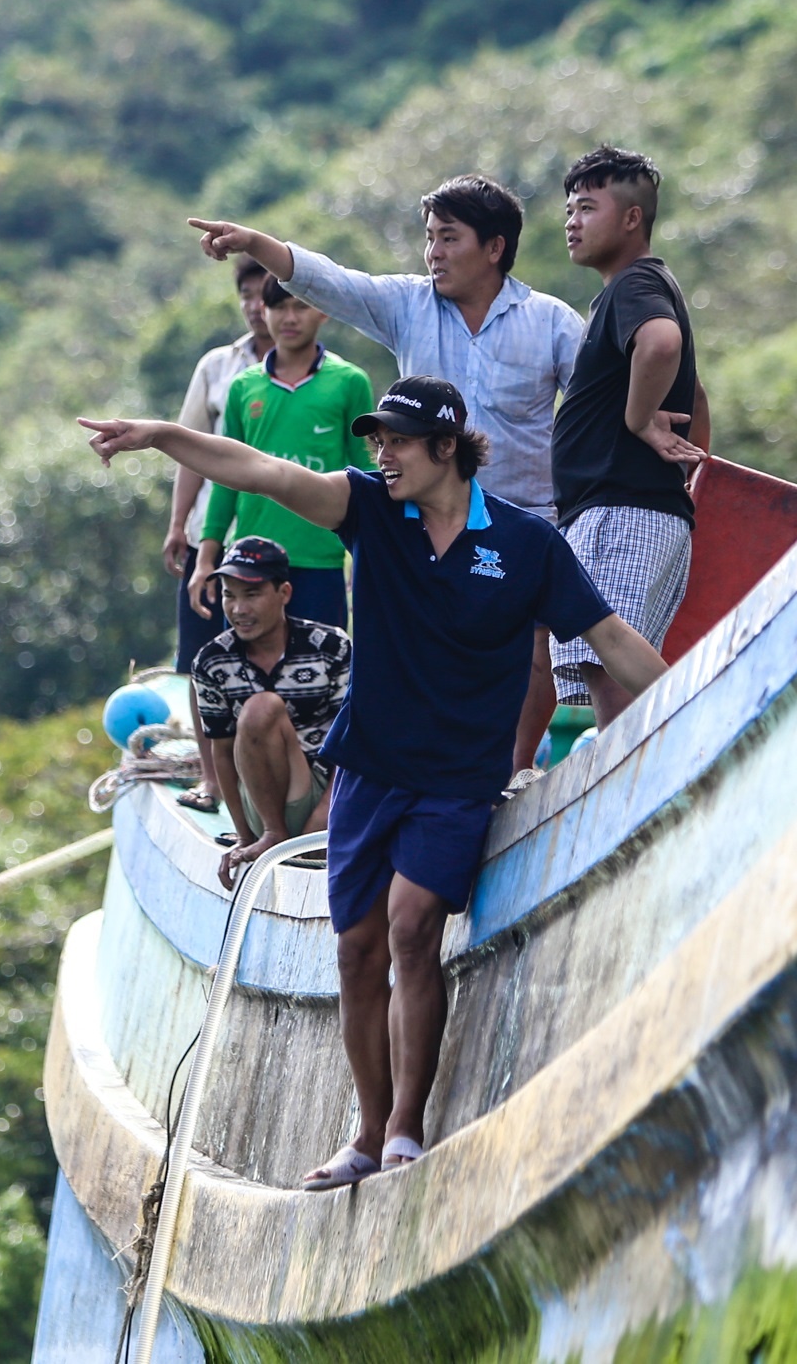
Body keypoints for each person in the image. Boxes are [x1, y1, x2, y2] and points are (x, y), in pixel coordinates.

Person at [79, 376, 670, 1192]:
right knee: (356, 949)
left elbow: (607, 633)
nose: (379, 454)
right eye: (374, 440)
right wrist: (157, 436)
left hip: (458, 779)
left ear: (445, 447)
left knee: (412, 923)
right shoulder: (371, 512)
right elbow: (259, 472)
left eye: (395, 440)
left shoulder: (529, 546)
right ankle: (363, 1134)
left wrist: (691, 695)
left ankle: (403, 1130)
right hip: (370, 768)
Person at [188, 175, 582, 773]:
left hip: (524, 517)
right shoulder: (407, 303)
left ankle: (516, 770)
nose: (434, 254)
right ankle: (402, 772)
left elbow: (593, 410)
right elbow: (330, 282)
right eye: (430, 239)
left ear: (495, 247)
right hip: (419, 520)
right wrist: (256, 243)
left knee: (532, 653)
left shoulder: (552, 322)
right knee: (411, 650)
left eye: (449, 239)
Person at [552, 145, 712, 729]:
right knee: (609, 657)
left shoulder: (635, 284)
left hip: (622, 508)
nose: (572, 221)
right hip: (634, 508)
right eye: (569, 209)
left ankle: (693, 732)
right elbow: (694, 396)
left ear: (631, 218)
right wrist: (698, 469)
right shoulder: (629, 289)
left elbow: (664, 345)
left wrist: (639, 420)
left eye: (587, 208)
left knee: (608, 653)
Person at [188, 274, 376, 633]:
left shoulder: (350, 382)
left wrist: (370, 557)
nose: (290, 318)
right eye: (279, 307)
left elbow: (365, 474)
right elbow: (226, 480)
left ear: (322, 312)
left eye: (301, 306)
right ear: (264, 311)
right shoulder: (244, 387)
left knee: (322, 678)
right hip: (250, 562)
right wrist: (206, 558)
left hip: (320, 558)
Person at [167, 255, 275, 814]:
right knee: (203, 656)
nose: (259, 307)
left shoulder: (325, 375)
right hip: (214, 538)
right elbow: (191, 451)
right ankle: (212, 780)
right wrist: (178, 526)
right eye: (249, 296)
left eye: (268, 294)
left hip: (277, 540)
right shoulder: (218, 367)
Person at [190, 537, 351, 890]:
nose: (238, 609)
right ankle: (274, 834)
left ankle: (288, 835)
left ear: (285, 593)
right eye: (230, 595)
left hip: (328, 793)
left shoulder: (332, 646)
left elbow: (354, 735)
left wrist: (326, 814)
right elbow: (221, 749)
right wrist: (247, 837)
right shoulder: (212, 661)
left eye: (252, 594)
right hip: (261, 805)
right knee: (260, 708)